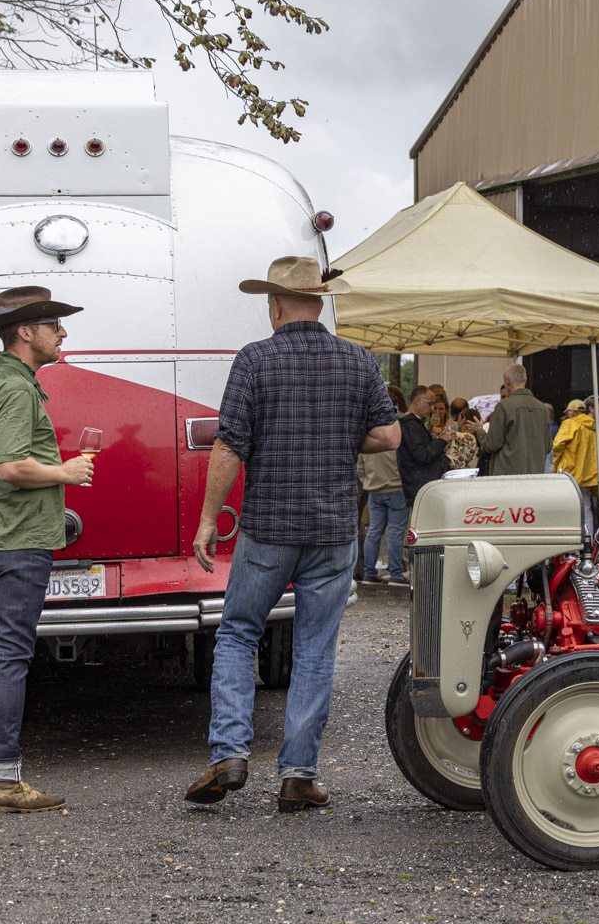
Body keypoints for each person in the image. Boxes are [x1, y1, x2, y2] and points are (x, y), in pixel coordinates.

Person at [186, 257, 400, 813]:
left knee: (237, 634)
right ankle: (298, 775)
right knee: (313, 649)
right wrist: (338, 440)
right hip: (332, 530)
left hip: (269, 527)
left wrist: (209, 519)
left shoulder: (255, 359)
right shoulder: (356, 360)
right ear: (321, 301)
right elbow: (389, 433)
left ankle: (230, 753)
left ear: (274, 304)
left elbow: (230, 444)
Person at [0, 286, 92, 815]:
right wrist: (66, 471)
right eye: (53, 324)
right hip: (18, 540)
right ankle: (1, 780)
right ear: (25, 331)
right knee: (10, 656)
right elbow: (11, 468)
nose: (62, 332)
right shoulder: (15, 388)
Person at [358, 384, 409, 585]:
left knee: (374, 532)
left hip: (374, 488)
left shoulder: (368, 428)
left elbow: (360, 465)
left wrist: (367, 480)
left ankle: (370, 572)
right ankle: (396, 573)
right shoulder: (397, 429)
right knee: (396, 532)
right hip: (396, 487)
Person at [552, 396, 599, 534]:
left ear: (572, 412)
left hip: (570, 475)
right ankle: (588, 543)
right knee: (586, 508)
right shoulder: (596, 430)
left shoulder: (570, 425)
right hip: (589, 477)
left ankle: (572, 546)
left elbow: (557, 446)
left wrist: (556, 466)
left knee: (569, 510)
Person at [482, 363, 549, 475]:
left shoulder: (504, 407)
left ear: (507, 381)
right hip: (535, 477)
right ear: (525, 380)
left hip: (508, 479)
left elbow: (491, 444)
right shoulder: (542, 408)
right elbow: (548, 447)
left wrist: (480, 431)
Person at [398, 385, 455, 505]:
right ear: (417, 400)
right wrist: (442, 440)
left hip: (419, 486)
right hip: (419, 488)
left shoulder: (413, 424)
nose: (432, 408)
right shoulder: (410, 425)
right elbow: (422, 455)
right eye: (430, 404)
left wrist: (433, 440)